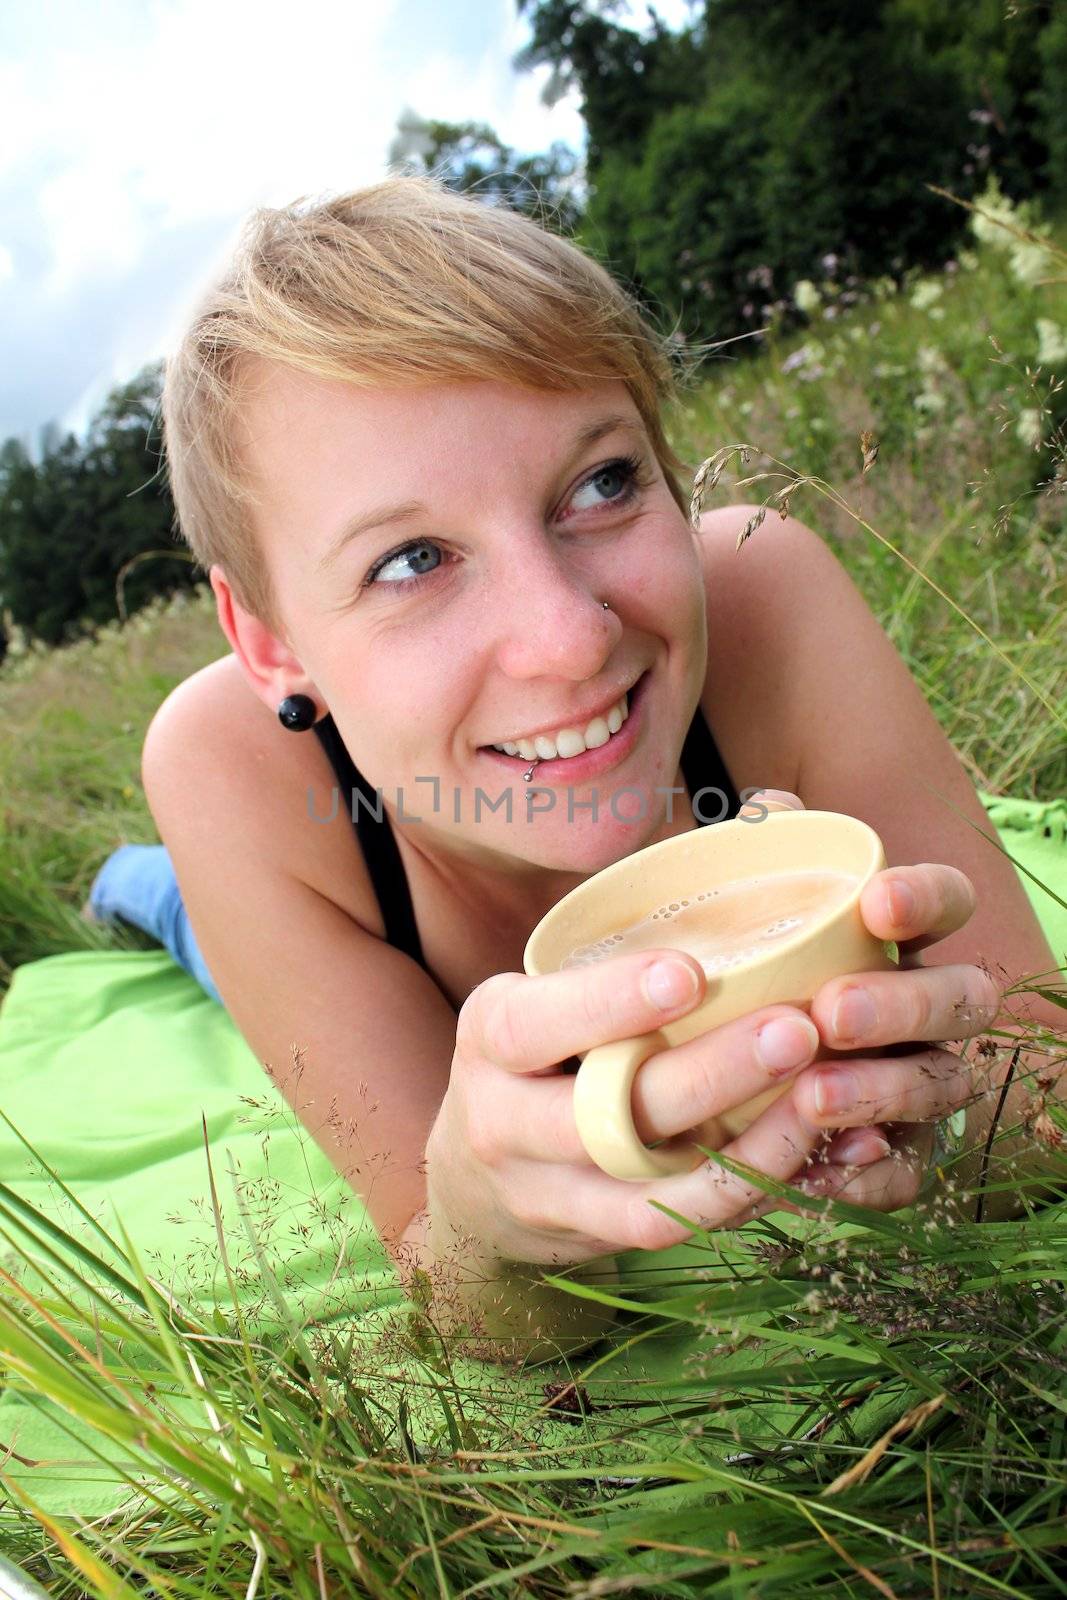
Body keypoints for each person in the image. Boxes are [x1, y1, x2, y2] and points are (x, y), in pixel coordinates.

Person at [100, 176, 1061, 1359]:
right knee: (180, 920)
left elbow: (1038, 1084)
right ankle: (135, 886)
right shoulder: (231, 768)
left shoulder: (764, 590)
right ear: (270, 640)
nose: (570, 639)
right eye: (410, 559)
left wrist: (936, 1106)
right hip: (341, 910)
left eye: (601, 483)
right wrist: (479, 1221)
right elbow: (475, 1304)